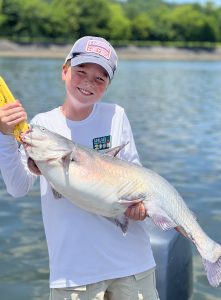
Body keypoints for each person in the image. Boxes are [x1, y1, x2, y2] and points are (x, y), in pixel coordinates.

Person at [0, 36, 159, 300]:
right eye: (81, 72)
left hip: (133, 266)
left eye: (100, 78)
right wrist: (5, 135)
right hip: (74, 275)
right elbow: (17, 188)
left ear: (108, 85)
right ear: (64, 70)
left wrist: (141, 208)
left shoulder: (116, 115)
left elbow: (136, 177)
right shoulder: (41, 127)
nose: (88, 83)